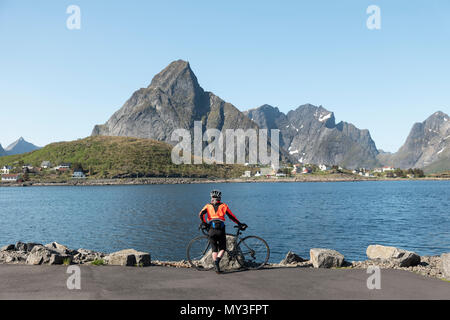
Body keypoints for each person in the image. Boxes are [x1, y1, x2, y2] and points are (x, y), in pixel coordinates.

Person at [199, 190, 247, 274]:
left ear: (212, 198)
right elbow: (231, 216)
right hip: (220, 229)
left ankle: (216, 267)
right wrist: (239, 223)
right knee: (222, 248)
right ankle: (217, 261)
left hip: (211, 229)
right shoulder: (224, 206)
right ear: (219, 198)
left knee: (214, 248)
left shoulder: (207, 206)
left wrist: (204, 223)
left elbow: (200, 214)